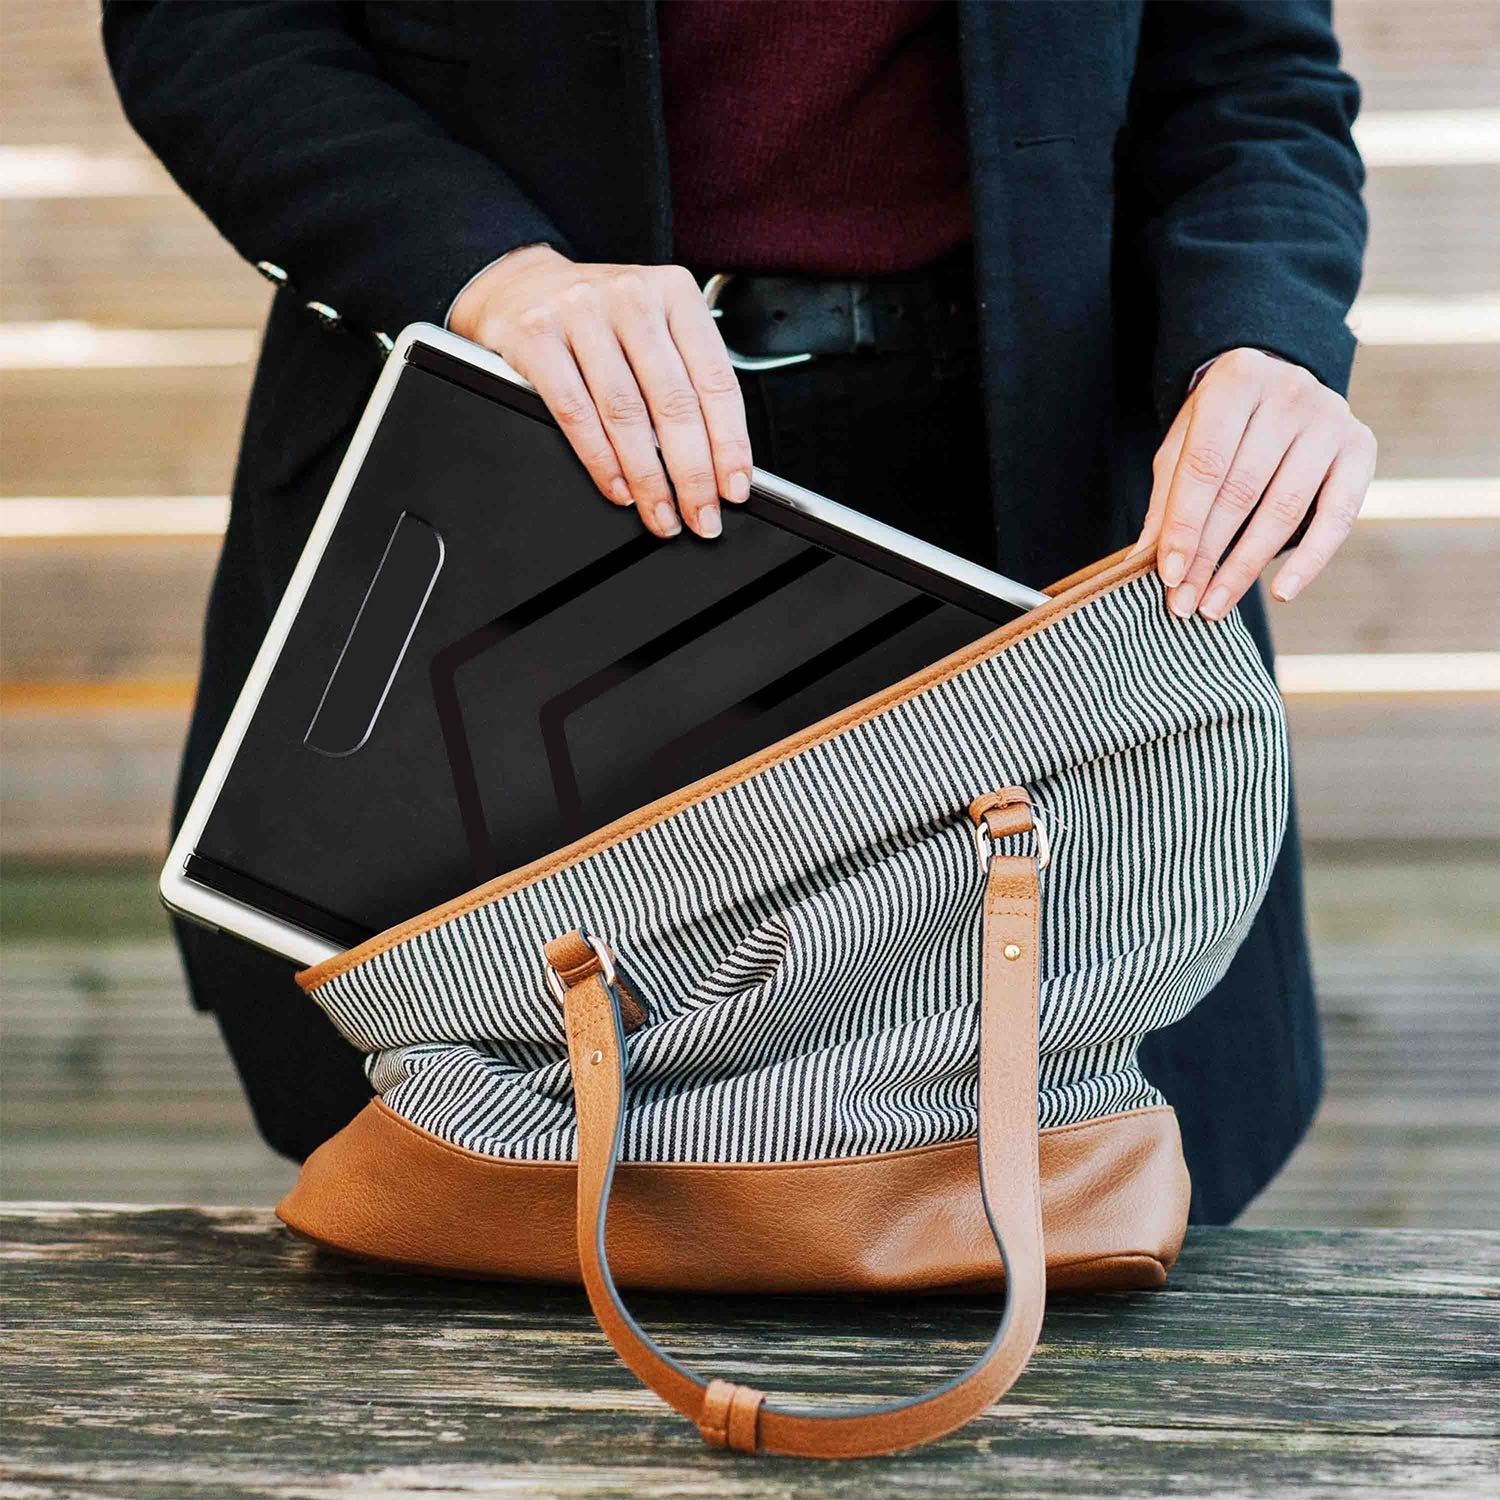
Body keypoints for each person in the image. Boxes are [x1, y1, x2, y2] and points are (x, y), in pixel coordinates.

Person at [103, 0, 1371, 1223]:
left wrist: (1267, 333)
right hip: (535, 450)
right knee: (485, 1203)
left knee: (1085, 1186)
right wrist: (487, 271)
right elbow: (213, 25)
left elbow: (1247, 73)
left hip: (1021, 511)